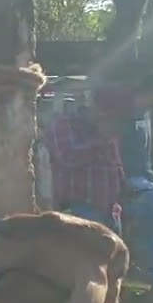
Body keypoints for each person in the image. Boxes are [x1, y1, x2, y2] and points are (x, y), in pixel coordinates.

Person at [97, 68, 153, 295]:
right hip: (126, 178)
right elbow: (112, 146)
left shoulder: (145, 115)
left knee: (152, 222)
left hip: (142, 177)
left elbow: (144, 151)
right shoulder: (127, 113)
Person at [46, 97, 123, 232]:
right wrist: (102, 139)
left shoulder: (107, 128)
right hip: (79, 207)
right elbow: (67, 157)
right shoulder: (64, 124)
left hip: (110, 209)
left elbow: (114, 163)